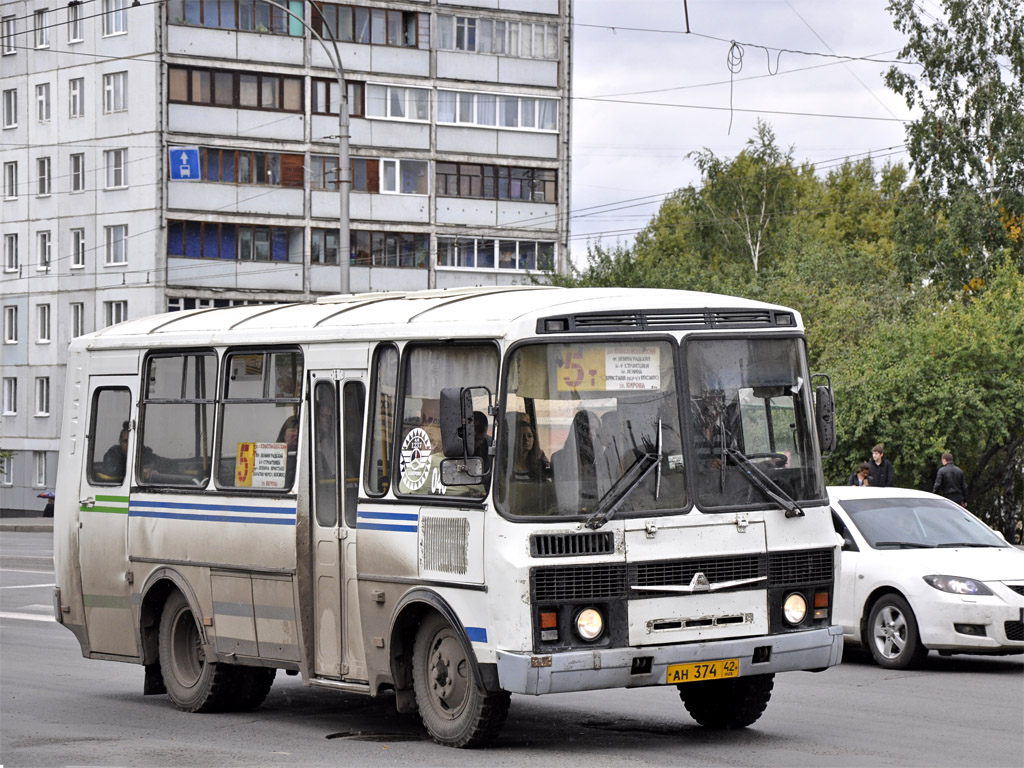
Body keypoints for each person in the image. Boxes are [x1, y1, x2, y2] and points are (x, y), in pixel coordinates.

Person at [511, 418, 550, 482]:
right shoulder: (506, 467)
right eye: (521, 436)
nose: (526, 439)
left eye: (529, 436)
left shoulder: (539, 466)